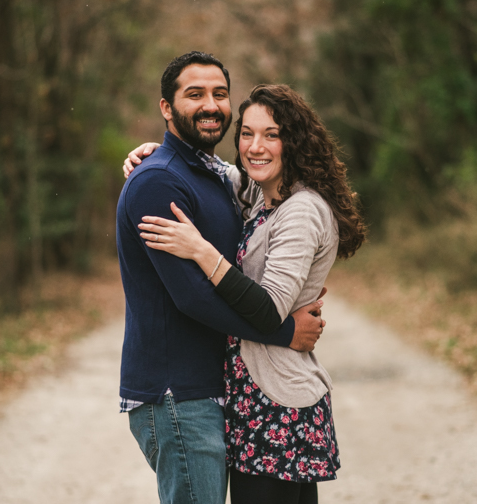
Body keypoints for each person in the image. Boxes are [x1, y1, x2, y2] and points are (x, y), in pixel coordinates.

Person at [126, 84, 366, 504]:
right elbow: (214, 168)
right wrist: (160, 151)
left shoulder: (301, 209)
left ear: (294, 141)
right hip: (256, 398)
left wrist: (201, 251)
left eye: (271, 134)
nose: (256, 147)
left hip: (278, 402)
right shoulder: (261, 195)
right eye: (247, 133)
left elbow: (270, 307)